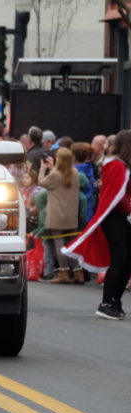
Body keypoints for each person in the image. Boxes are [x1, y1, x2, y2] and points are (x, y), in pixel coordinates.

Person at [64, 130, 131, 320]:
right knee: (120, 259)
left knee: (126, 261)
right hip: (115, 217)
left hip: (123, 217)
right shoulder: (115, 165)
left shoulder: (122, 165)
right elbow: (116, 197)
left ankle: (115, 301)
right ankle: (106, 302)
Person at [39, 148, 83, 284]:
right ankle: (78, 272)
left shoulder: (55, 174)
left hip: (57, 215)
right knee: (71, 245)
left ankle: (63, 272)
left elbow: (42, 182)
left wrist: (42, 169)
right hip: (71, 216)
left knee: (59, 245)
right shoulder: (75, 173)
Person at [71, 142, 96, 223]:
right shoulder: (90, 168)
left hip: (77, 213)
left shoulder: (74, 172)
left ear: (73, 156)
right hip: (89, 212)